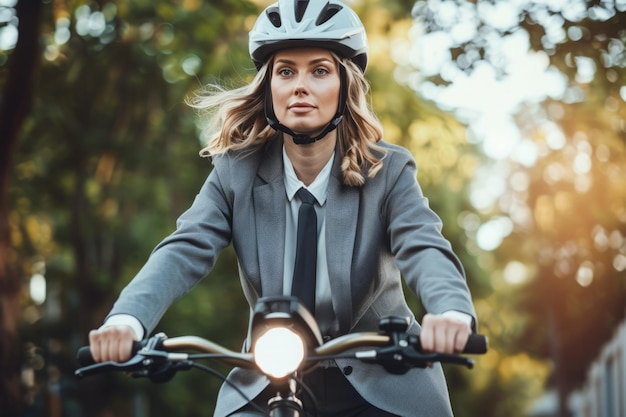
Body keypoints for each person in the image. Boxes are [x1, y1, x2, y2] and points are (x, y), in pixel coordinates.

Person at [87, 1, 478, 416]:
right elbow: (184, 248)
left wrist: (450, 312)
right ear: (269, 87)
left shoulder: (388, 170)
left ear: (346, 87)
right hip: (268, 373)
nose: (300, 86)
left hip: (382, 377)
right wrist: (127, 321)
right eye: (286, 71)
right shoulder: (234, 173)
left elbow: (424, 246)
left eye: (320, 71)